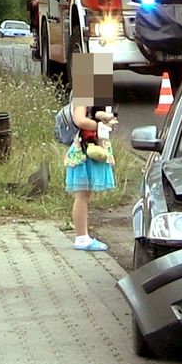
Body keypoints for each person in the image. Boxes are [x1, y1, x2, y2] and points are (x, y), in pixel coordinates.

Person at [64, 53, 117, 251]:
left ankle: (83, 234)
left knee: (84, 194)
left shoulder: (91, 96)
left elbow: (93, 113)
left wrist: (105, 118)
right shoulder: (82, 95)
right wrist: (99, 126)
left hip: (88, 149)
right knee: (82, 194)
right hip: (83, 151)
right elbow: (80, 120)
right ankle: (81, 237)